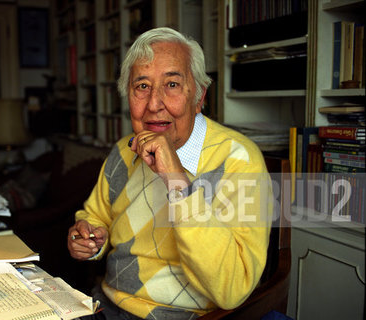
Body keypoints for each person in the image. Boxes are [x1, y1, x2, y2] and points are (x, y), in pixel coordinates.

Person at [67, 27, 273, 319]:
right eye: (142, 86)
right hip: (106, 308)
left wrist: (176, 179)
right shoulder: (123, 152)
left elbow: (233, 288)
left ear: (199, 96)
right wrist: (89, 238)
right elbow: (96, 216)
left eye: (172, 84)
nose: (153, 104)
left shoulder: (239, 160)